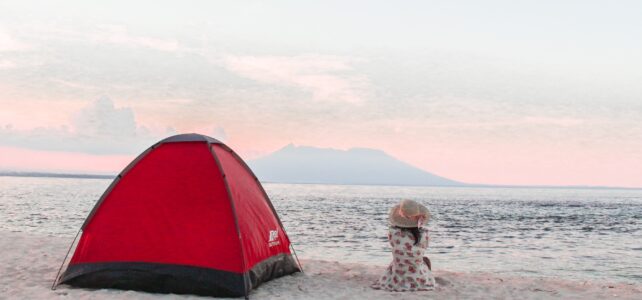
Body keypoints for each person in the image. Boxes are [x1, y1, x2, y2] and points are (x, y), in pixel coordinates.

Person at [371, 199, 436, 292]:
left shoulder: (393, 232)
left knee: (398, 259)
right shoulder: (424, 234)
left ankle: (401, 278)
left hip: (397, 276)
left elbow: (394, 244)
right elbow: (424, 247)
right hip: (417, 277)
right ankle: (424, 277)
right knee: (425, 259)